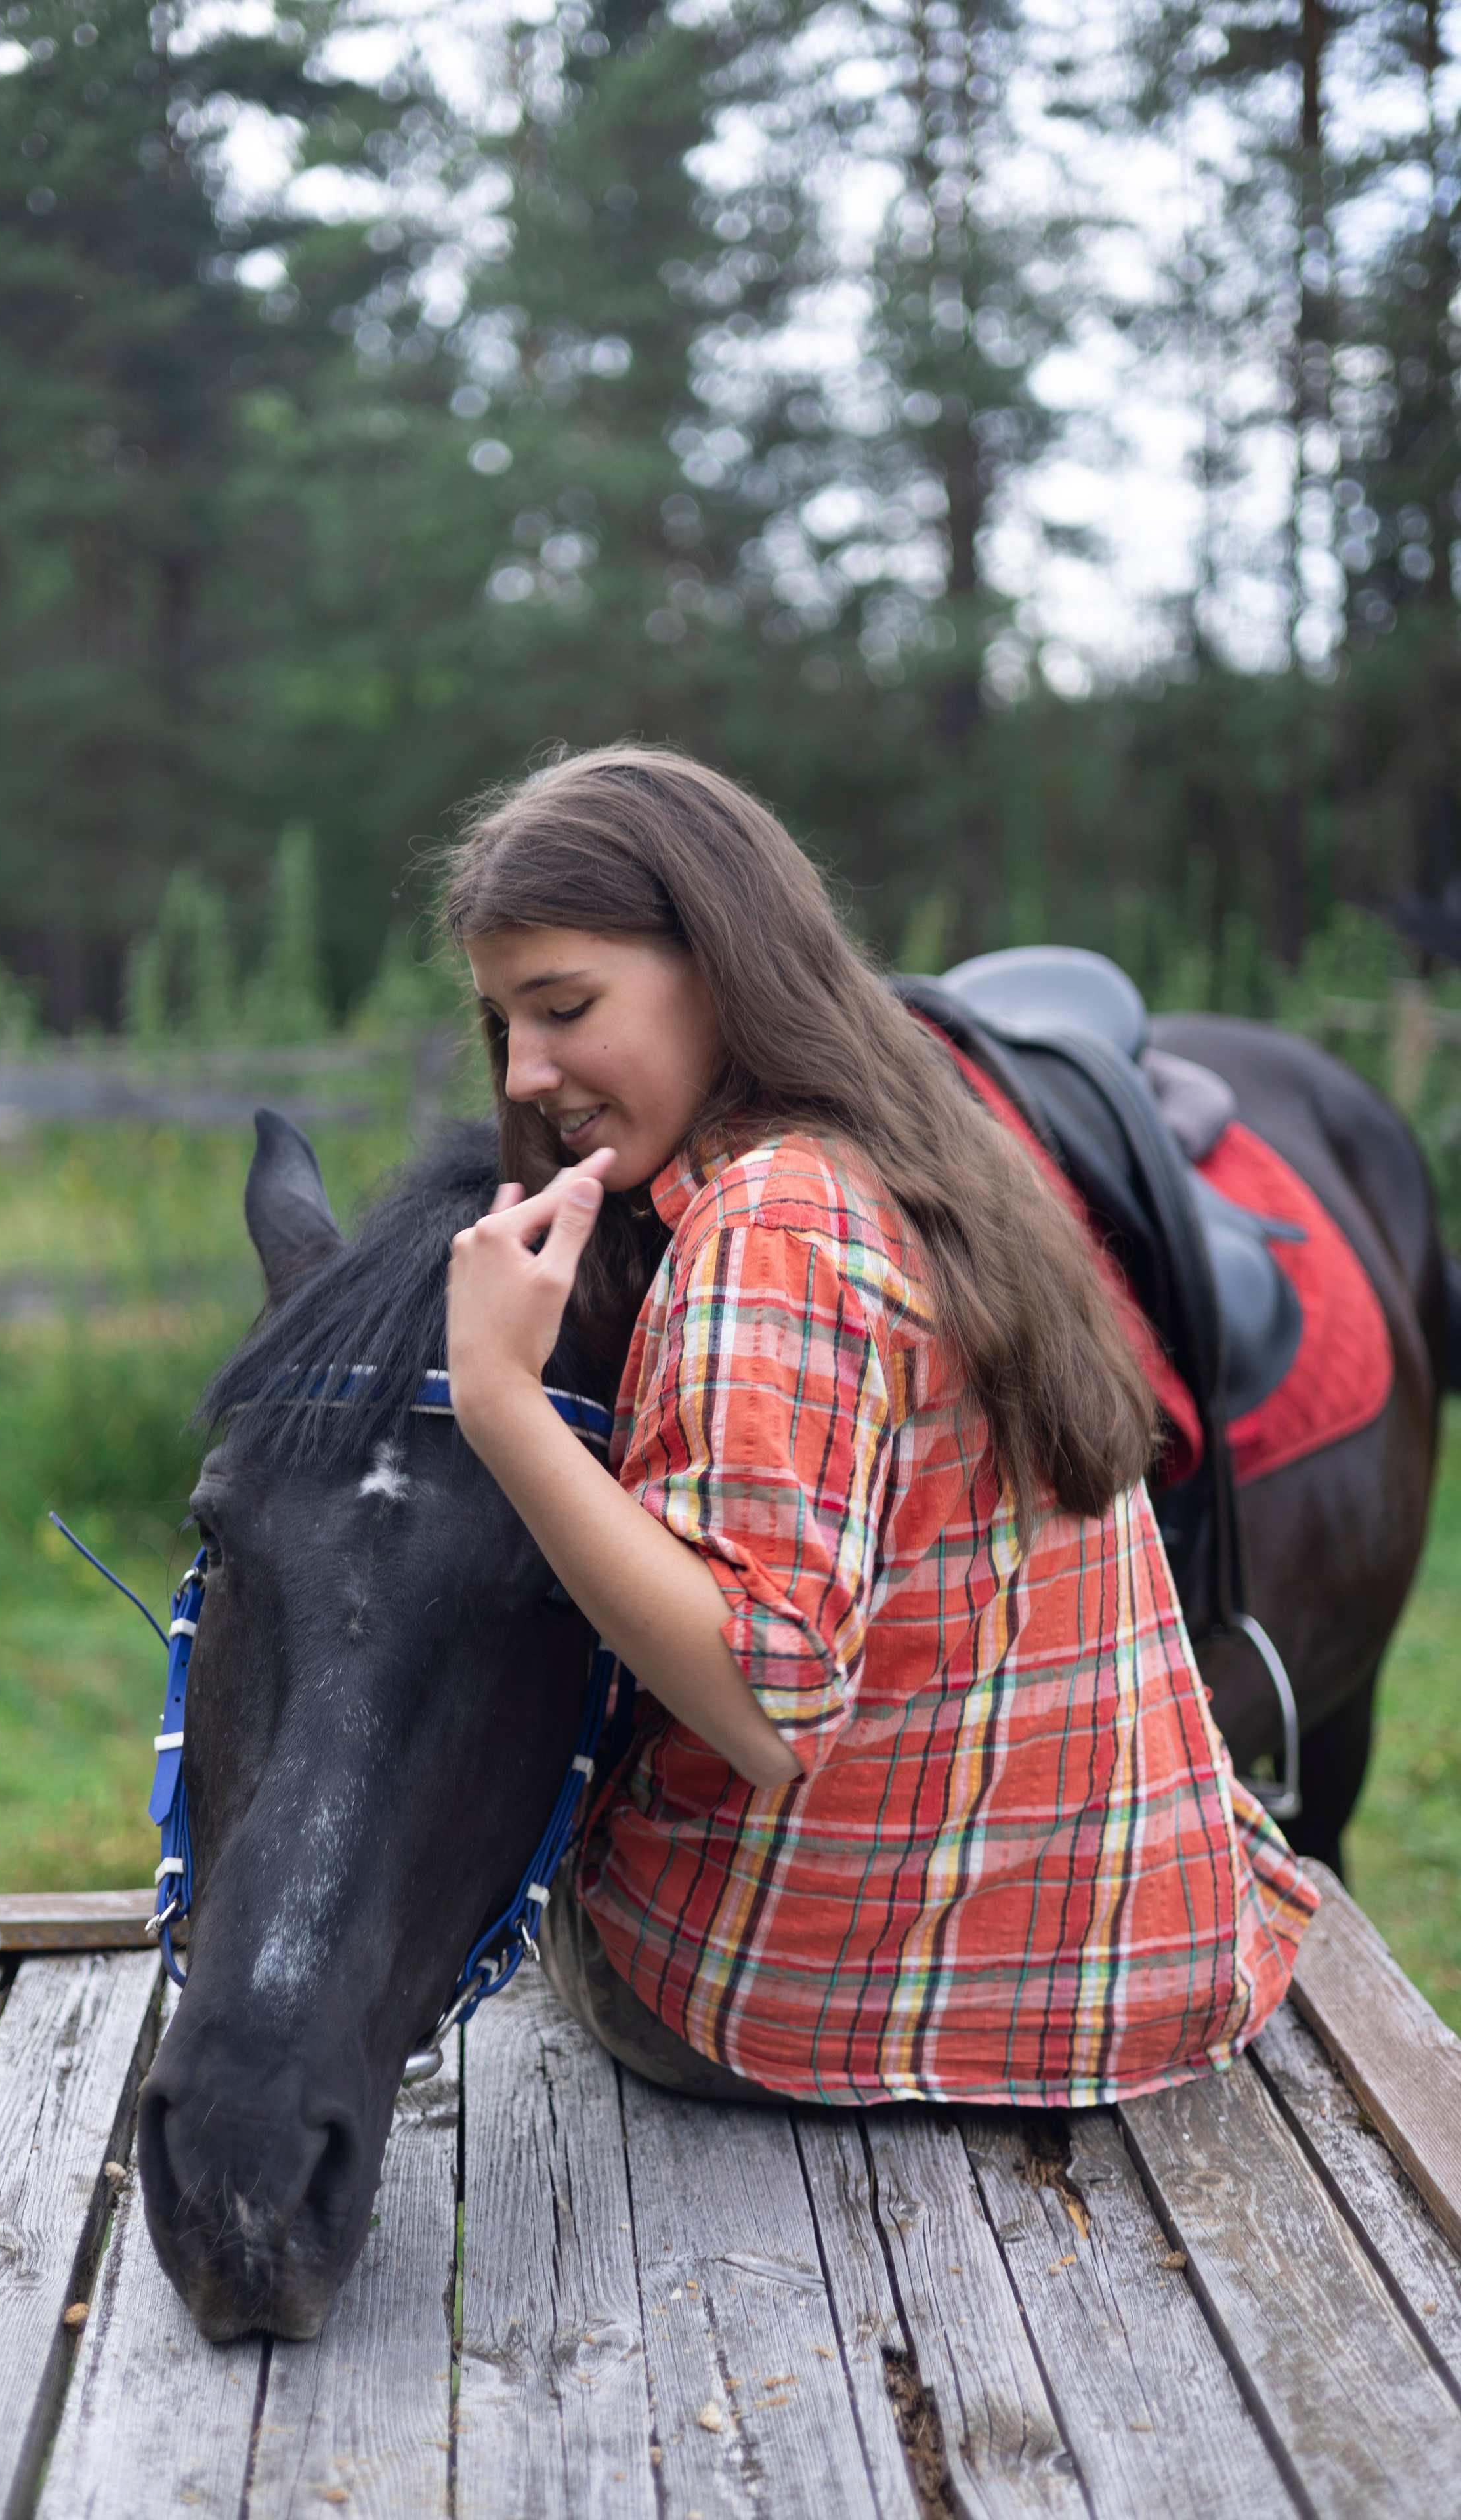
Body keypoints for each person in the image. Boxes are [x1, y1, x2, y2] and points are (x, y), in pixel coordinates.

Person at [441, 744, 1317, 2108]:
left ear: (720, 965)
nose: (526, 1073)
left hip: (813, 1999)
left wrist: (499, 1400)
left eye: (563, 1006)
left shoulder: (767, 1222)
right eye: (507, 1024)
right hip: (1135, 1955)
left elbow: (765, 1705)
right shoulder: (910, 1140)